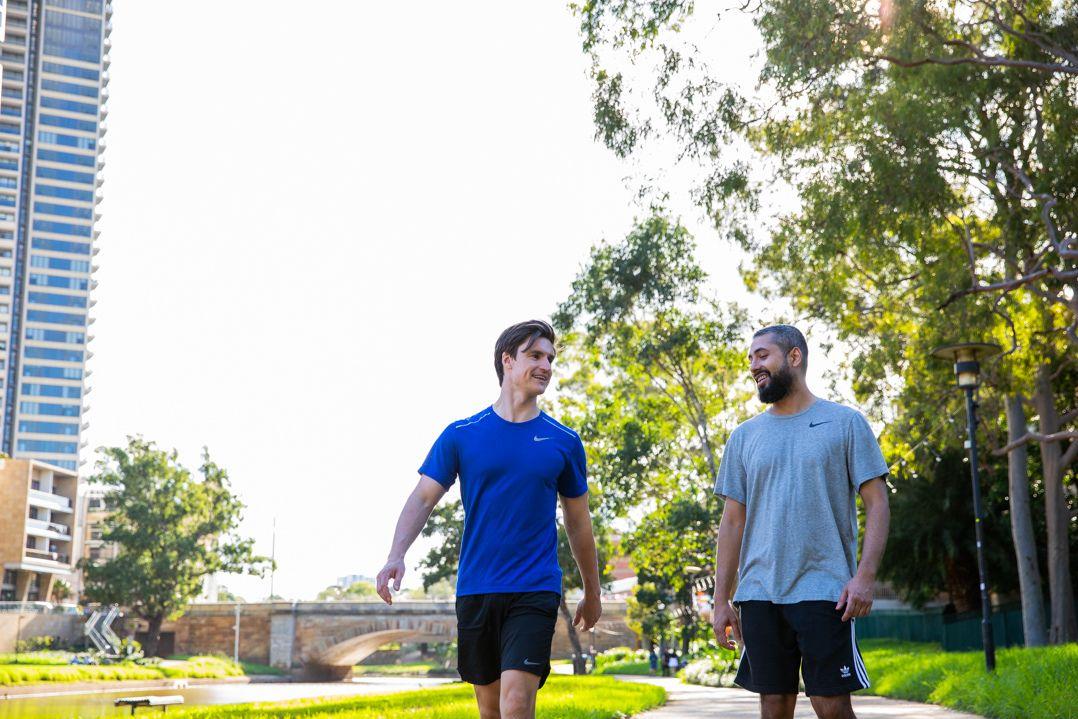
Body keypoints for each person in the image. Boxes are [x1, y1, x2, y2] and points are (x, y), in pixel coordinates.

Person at [376, 320, 602, 719]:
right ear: (508, 360)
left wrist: (592, 591)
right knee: (490, 710)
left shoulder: (563, 442)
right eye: (536, 355)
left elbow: (578, 523)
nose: (546, 365)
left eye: (550, 358)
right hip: (477, 588)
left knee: (516, 704)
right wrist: (396, 554)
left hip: (535, 587)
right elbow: (423, 497)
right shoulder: (462, 434)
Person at [711, 325, 890, 719]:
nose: (754, 366)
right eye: (751, 359)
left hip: (825, 590)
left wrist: (865, 576)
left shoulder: (845, 423)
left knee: (831, 706)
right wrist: (721, 598)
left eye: (763, 356)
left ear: (794, 357)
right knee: (773, 706)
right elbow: (732, 522)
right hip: (759, 593)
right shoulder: (744, 436)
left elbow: (878, 503)